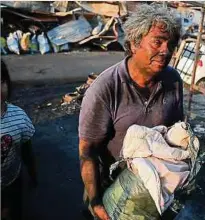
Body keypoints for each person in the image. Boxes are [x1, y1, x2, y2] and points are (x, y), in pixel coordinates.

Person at [78, 4, 183, 220]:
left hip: (152, 187)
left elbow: (175, 130)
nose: (166, 50)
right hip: (112, 187)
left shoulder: (173, 80)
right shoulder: (105, 88)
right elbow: (87, 152)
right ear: (134, 44)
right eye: (158, 41)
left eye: (170, 44)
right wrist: (96, 201)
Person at [1, 60, 38, 220]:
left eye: (1, 81)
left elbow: (27, 149)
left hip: (11, 180)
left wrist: (32, 173)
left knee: (12, 212)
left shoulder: (19, 116)